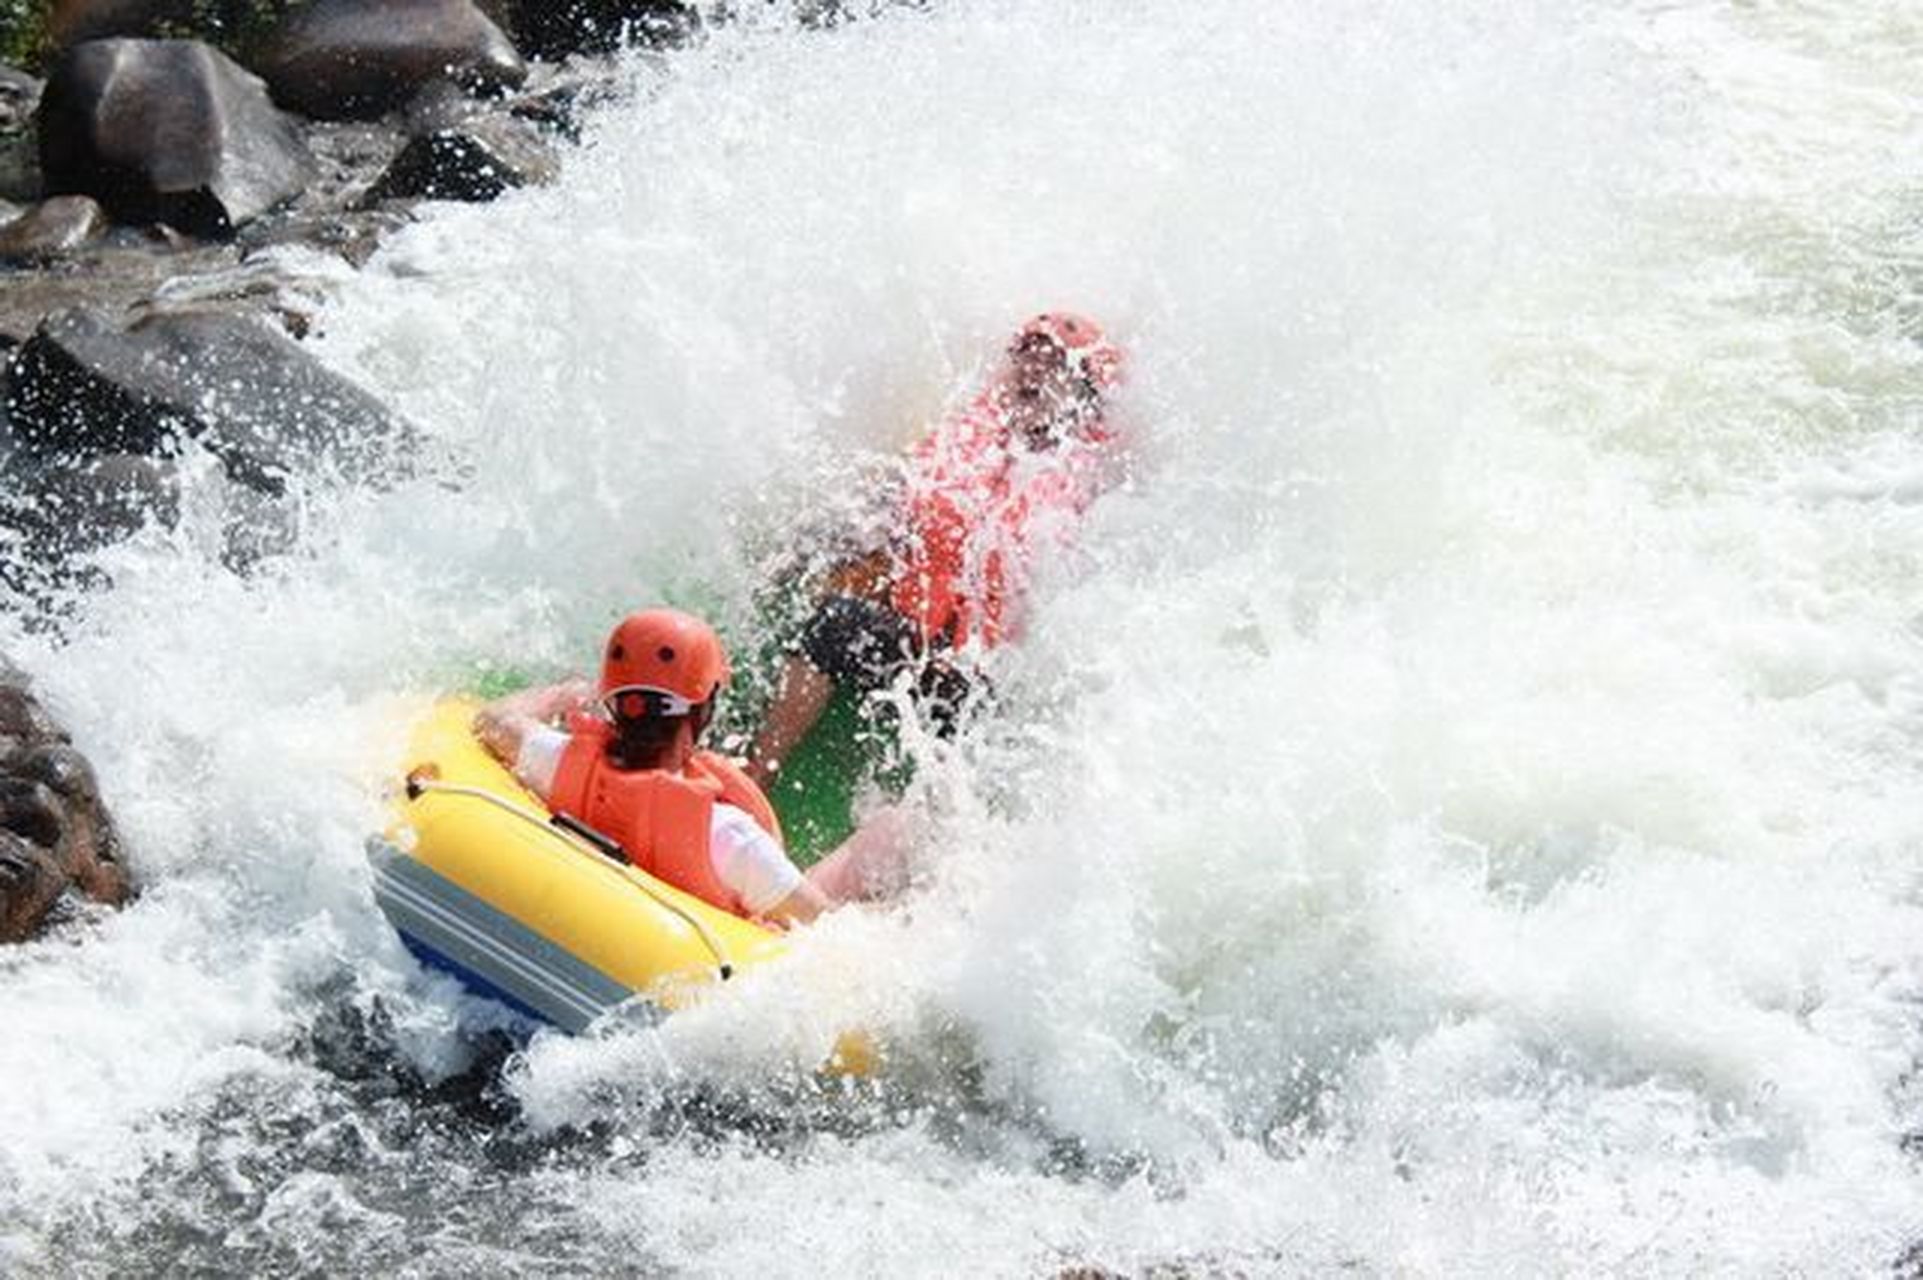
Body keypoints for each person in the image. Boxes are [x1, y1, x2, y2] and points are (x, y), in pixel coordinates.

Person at [747, 311, 1127, 788]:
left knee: (967, 708)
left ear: (1082, 394)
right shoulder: (969, 436)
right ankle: (753, 778)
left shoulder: (1087, 476)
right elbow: (895, 498)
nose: (1033, 372)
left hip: (982, 676)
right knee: (834, 620)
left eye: (1052, 366)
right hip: (914, 637)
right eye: (1026, 359)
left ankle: (937, 840)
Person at [475, 608, 903, 926]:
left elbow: (494, 720)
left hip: (582, 909)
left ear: (614, 698)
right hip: (715, 942)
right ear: (704, 711)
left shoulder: (558, 759)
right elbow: (825, 929)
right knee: (891, 827)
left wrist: (566, 692)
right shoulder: (731, 836)